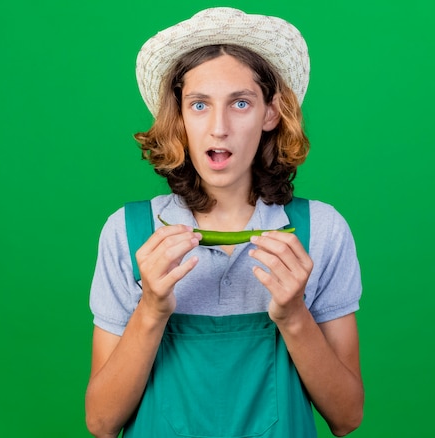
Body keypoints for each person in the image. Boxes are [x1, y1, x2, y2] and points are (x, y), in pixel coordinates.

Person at [86, 7, 363, 438]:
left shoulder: (321, 231)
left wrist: (293, 316)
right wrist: (152, 309)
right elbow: (101, 423)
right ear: (180, 117)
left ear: (270, 113)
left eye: (240, 103)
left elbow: (347, 417)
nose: (219, 128)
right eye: (200, 105)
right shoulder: (127, 231)